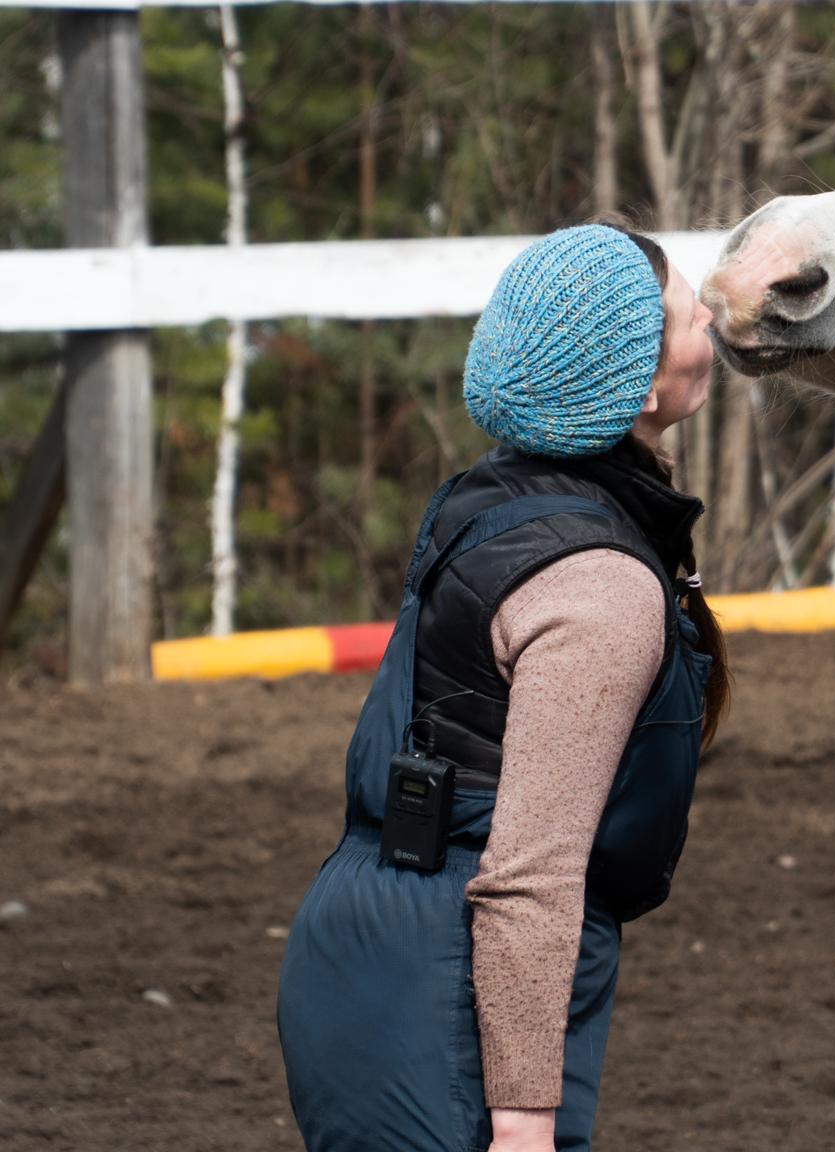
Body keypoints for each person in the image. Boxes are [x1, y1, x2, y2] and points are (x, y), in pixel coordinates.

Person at [277, 223, 729, 1152]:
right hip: (457, 980)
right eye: (691, 313)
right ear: (641, 387)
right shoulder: (597, 582)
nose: (712, 317)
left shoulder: (489, 499)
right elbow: (530, 874)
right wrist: (523, 1115)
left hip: (375, 928)